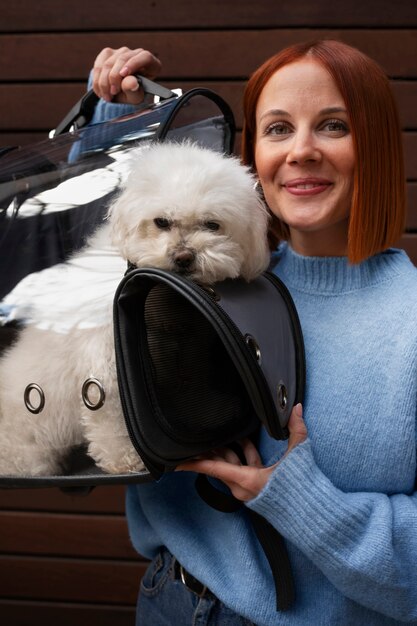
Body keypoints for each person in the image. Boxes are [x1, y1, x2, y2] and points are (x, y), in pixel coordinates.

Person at [90, 42, 417, 624]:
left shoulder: (408, 320)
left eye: (334, 125)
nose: (302, 151)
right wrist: (123, 116)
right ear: (252, 156)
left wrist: (301, 501)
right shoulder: (195, 277)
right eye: (278, 128)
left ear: (377, 146)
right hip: (171, 600)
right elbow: (98, 251)